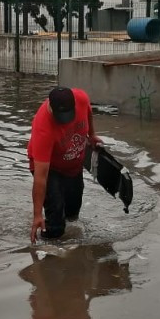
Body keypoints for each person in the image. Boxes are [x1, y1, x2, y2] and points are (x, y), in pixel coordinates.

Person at [27, 86, 100, 243]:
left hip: (73, 163)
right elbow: (40, 178)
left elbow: (88, 112)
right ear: (51, 109)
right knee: (56, 226)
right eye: (61, 117)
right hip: (50, 168)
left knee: (73, 214)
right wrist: (37, 215)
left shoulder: (80, 97)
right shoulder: (43, 128)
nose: (65, 121)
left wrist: (92, 134)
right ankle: (48, 249)